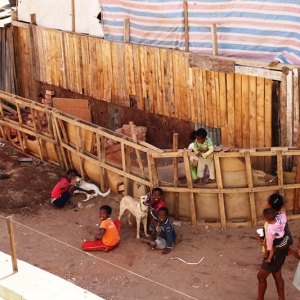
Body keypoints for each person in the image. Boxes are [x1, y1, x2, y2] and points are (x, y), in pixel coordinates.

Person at [257, 193, 292, 300]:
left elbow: (269, 242)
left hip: (273, 255)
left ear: (270, 205)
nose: (266, 203)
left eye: (267, 201)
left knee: (261, 276)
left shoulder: (270, 222)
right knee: (277, 276)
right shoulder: (281, 217)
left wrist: (267, 255)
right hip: (280, 253)